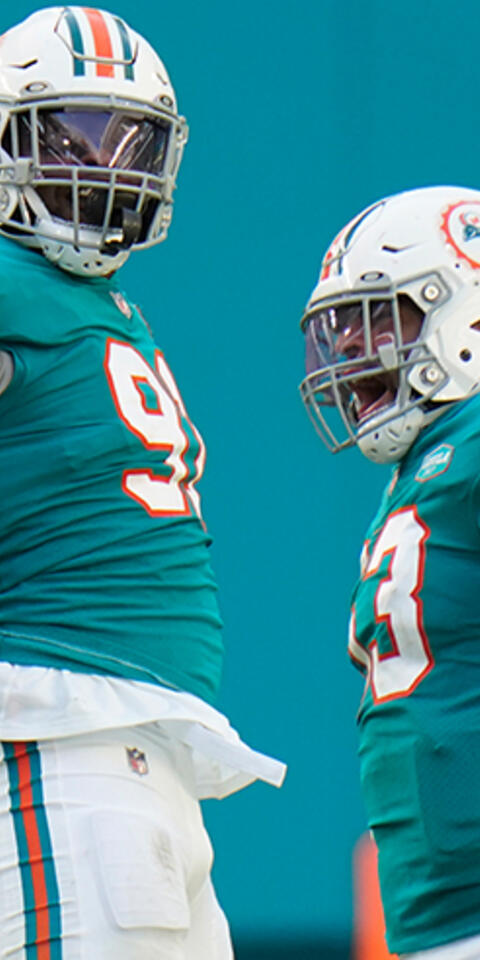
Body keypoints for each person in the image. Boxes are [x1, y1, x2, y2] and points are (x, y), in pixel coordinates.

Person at [0, 7, 285, 958]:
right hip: (56, 739)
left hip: (126, 753)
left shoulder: (88, 299)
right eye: (73, 134)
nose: (106, 165)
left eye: (131, 140)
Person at [300, 184, 480, 960]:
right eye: (341, 328)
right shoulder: (425, 467)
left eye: (383, 316)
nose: (348, 350)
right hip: (434, 910)